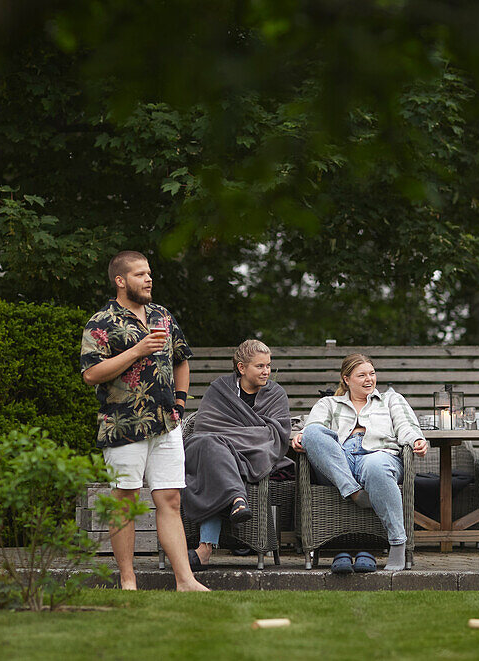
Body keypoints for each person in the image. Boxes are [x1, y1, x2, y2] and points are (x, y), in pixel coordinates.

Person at [79, 250, 208, 592]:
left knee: (170, 500)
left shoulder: (162, 315)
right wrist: (137, 350)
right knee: (125, 500)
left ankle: (185, 580)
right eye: (139, 274)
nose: (149, 279)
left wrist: (180, 402)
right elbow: (91, 374)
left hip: (166, 424)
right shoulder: (101, 321)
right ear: (120, 281)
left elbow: (181, 359)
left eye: (149, 273)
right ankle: (128, 579)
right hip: (124, 426)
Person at [291, 353, 428, 572]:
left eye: (372, 373)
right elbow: (313, 428)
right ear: (346, 379)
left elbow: (407, 426)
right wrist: (302, 436)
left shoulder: (392, 400)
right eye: (361, 375)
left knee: (375, 466)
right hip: (338, 461)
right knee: (313, 432)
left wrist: (417, 440)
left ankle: (398, 543)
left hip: (378, 455)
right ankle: (354, 492)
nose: (369, 379)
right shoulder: (328, 403)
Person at [181, 339, 292, 570]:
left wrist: (230, 438)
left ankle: (205, 550)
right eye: (260, 366)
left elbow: (275, 434)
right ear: (242, 368)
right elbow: (205, 426)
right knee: (210, 448)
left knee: (216, 457)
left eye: (268, 366)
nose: (266, 371)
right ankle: (238, 500)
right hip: (219, 453)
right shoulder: (220, 389)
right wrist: (242, 436)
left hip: (255, 455)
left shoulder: (276, 394)